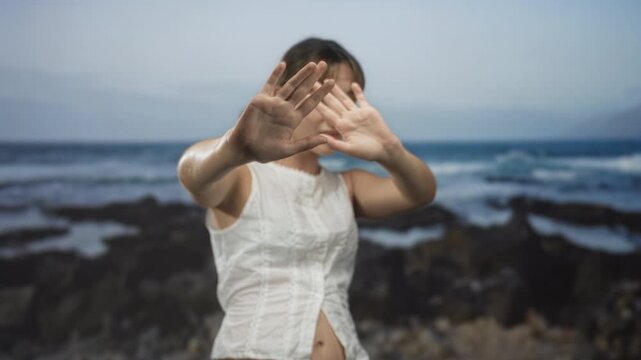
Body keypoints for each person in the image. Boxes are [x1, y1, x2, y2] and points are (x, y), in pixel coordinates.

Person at [177, 37, 436, 360]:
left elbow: (421, 192)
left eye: (347, 100)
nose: (337, 114)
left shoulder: (347, 186)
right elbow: (192, 173)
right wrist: (232, 149)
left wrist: (391, 151)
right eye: (324, 96)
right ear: (288, 95)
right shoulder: (243, 178)